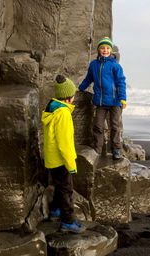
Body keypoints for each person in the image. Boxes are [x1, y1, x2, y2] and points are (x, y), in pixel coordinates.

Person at [41, 75, 85, 234]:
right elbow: (64, 143)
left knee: (59, 186)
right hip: (61, 160)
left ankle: (54, 210)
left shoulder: (51, 107)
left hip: (51, 159)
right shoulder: (64, 114)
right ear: (68, 98)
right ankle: (68, 221)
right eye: (73, 95)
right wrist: (71, 164)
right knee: (67, 189)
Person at [79, 37, 127, 159]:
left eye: (107, 48)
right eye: (102, 48)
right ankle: (97, 148)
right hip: (100, 102)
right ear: (99, 50)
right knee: (98, 125)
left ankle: (116, 149)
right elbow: (88, 78)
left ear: (110, 50)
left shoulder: (115, 66)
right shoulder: (94, 65)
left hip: (115, 101)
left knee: (115, 126)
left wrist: (123, 98)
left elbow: (121, 82)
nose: (105, 50)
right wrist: (80, 88)